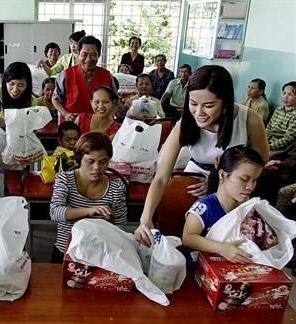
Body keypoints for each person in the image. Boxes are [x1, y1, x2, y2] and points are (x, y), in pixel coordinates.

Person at [134, 65, 269, 247]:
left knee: (233, 238)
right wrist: (145, 218)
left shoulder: (249, 119)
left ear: (225, 102)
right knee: (184, 226)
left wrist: (218, 180)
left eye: (209, 105)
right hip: (195, 177)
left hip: (234, 182)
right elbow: (161, 177)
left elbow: (260, 162)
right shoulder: (185, 123)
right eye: (193, 103)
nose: (199, 112)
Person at [50, 132, 127, 262]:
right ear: (79, 159)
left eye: (103, 162)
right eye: (90, 161)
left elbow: (121, 227)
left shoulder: (115, 189)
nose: (96, 168)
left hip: (99, 255)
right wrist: (90, 210)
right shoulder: (65, 179)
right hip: (65, 252)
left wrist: (109, 229)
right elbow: (55, 212)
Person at [182, 145, 264, 263]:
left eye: (254, 180)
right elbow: (188, 238)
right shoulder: (205, 207)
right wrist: (221, 248)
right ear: (222, 175)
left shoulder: (247, 206)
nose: (250, 187)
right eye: (244, 179)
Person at [52, 35, 114, 123]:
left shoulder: (107, 76)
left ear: (99, 54)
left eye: (93, 55)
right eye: (84, 54)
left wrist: (110, 116)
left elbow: (115, 100)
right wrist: (66, 114)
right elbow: (55, 99)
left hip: (97, 124)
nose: (88, 59)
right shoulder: (66, 75)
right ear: (78, 53)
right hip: (71, 126)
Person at [253, 140, 296, 205]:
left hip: (291, 173)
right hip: (283, 166)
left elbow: (293, 164)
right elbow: (284, 152)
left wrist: (279, 163)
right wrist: (270, 159)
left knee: (267, 179)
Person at [265, 81, 296, 153]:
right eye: (284, 93)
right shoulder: (278, 110)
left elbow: (287, 139)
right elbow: (268, 129)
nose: (285, 97)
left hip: (281, 149)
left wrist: (267, 147)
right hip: (267, 143)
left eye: (290, 94)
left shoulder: (294, 115)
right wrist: (262, 142)